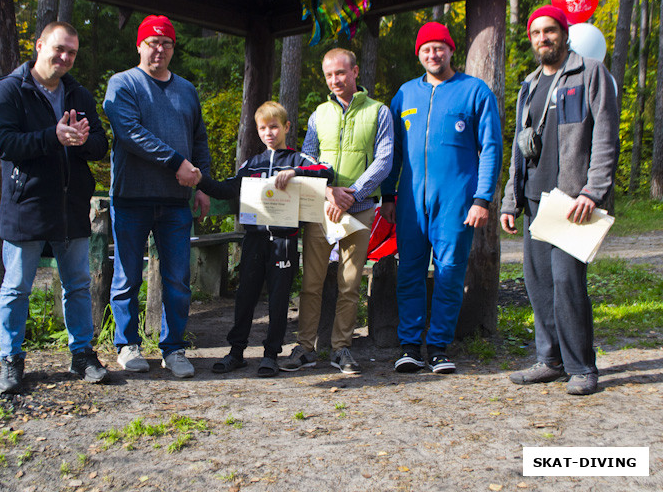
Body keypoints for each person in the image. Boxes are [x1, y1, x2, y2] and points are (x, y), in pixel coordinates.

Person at [501, 5, 619, 395]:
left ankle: (582, 367)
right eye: (536, 33)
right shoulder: (530, 84)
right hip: (537, 201)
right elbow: (520, 148)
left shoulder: (589, 73)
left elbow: (605, 138)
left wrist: (593, 191)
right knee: (538, 285)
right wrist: (510, 200)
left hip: (572, 202)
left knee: (567, 282)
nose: (542, 39)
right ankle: (549, 361)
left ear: (564, 34)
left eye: (549, 31)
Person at [0, 21, 110, 394]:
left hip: (71, 205)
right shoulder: (11, 90)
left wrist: (84, 141)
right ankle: (11, 360)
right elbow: (3, 144)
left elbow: (101, 146)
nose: (65, 57)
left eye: (71, 52)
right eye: (59, 49)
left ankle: (82, 354)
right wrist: (52, 137)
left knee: (77, 284)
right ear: (39, 45)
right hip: (26, 204)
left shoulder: (78, 94)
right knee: (16, 287)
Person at [380, 22, 502, 375]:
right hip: (410, 203)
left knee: (449, 272)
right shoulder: (404, 95)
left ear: (451, 50)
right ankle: (409, 346)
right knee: (410, 272)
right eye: (426, 50)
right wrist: (389, 195)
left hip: (457, 200)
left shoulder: (474, 91)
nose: (433, 55)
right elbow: (393, 153)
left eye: (439, 48)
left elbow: (491, 147)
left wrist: (482, 199)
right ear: (418, 54)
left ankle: (437, 348)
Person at [103, 15, 211, 379]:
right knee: (127, 276)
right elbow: (130, 132)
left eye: (166, 43)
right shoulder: (123, 84)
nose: (159, 49)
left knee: (178, 277)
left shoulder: (187, 90)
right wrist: (176, 162)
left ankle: (173, 348)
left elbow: (199, 140)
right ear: (139, 46)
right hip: (132, 197)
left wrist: (203, 185)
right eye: (152, 42)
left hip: (177, 201)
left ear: (173, 49)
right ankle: (127, 344)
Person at [197, 101, 334, 377]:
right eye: (263, 128)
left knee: (278, 299)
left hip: (284, 242)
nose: (269, 132)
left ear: (286, 127)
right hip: (254, 241)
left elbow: (327, 171)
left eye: (274, 126)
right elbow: (227, 189)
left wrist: (295, 173)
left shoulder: (297, 160)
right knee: (245, 296)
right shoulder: (252, 163)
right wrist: (200, 180)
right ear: (257, 131)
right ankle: (236, 352)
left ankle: (271, 354)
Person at [281, 48, 394, 375]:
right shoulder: (319, 114)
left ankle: (342, 348)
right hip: (322, 208)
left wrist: (353, 193)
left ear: (355, 72)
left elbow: (384, 160)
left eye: (341, 73)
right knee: (312, 283)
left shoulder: (379, 112)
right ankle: (304, 347)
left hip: (359, 212)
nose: (335, 80)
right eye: (330, 75)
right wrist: (328, 191)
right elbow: (308, 157)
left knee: (349, 283)